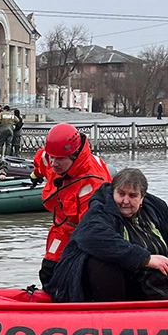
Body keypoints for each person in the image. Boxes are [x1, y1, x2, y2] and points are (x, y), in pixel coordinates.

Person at [45, 168, 168, 303]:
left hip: (147, 282)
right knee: (101, 262)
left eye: (132, 196)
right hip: (104, 284)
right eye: (121, 194)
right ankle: (113, 312)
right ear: (113, 192)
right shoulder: (99, 210)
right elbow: (92, 236)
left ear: (142, 197)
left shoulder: (157, 209)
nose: (125, 201)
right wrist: (145, 258)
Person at [29, 122, 113, 287]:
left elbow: (90, 225)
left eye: (59, 159)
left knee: (73, 271)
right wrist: (35, 175)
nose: (53, 163)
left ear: (74, 156)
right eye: (52, 157)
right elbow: (42, 161)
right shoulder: (50, 156)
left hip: (81, 228)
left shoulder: (92, 181)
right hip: (61, 225)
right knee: (48, 269)